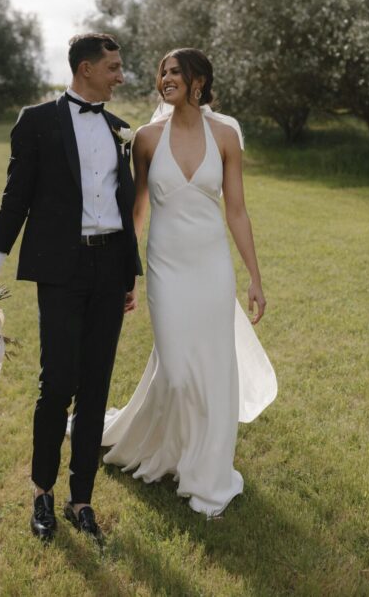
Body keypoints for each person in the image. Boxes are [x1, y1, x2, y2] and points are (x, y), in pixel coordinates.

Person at [0, 33, 142, 545]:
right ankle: (42, 491)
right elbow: (13, 200)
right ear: (85, 68)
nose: (121, 76)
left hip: (110, 270)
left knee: (96, 386)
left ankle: (81, 499)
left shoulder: (117, 128)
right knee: (57, 383)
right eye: (113, 67)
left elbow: (124, 209)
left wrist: (127, 274)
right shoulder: (36, 122)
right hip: (61, 271)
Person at [100, 48, 277, 517]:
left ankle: (206, 471)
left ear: (198, 80)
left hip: (211, 266)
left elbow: (236, 210)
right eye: (162, 72)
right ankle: (168, 445)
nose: (165, 78)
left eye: (175, 71)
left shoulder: (225, 136)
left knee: (215, 369)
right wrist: (125, 271)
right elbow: (138, 211)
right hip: (165, 266)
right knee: (178, 373)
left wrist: (254, 278)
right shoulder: (145, 138)